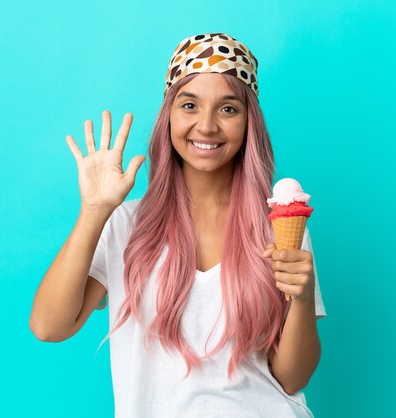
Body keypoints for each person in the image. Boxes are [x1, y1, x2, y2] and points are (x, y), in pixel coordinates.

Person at [30, 32, 327, 418]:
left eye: (228, 109)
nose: (206, 126)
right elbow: (49, 326)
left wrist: (301, 299)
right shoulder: (126, 224)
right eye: (189, 105)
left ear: (248, 122)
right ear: (168, 115)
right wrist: (93, 211)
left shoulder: (279, 224)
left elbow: (292, 379)